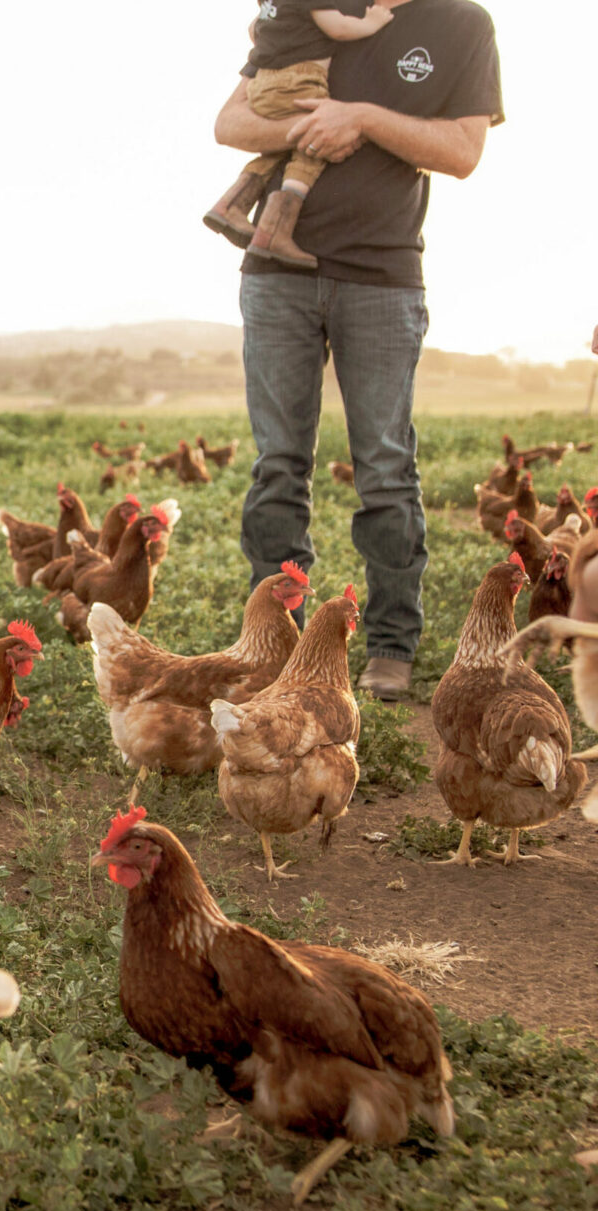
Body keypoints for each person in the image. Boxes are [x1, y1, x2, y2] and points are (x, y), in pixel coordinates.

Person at [216, 0, 502, 701]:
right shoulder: (318, 8)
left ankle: (391, 646)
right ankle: (278, 646)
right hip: (276, 277)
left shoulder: (462, 24)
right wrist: (312, 125)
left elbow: (463, 152)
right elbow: (229, 122)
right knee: (277, 464)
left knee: (384, 466)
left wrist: (364, 117)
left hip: (381, 276)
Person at [205, 2, 399, 267]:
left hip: (264, 81)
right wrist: (371, 23)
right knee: (317, 139)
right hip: (300, 79)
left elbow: (255, 29)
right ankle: (276, 230)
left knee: (278, 147)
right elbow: (339, 29)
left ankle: (232, 203)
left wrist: (283, 41)